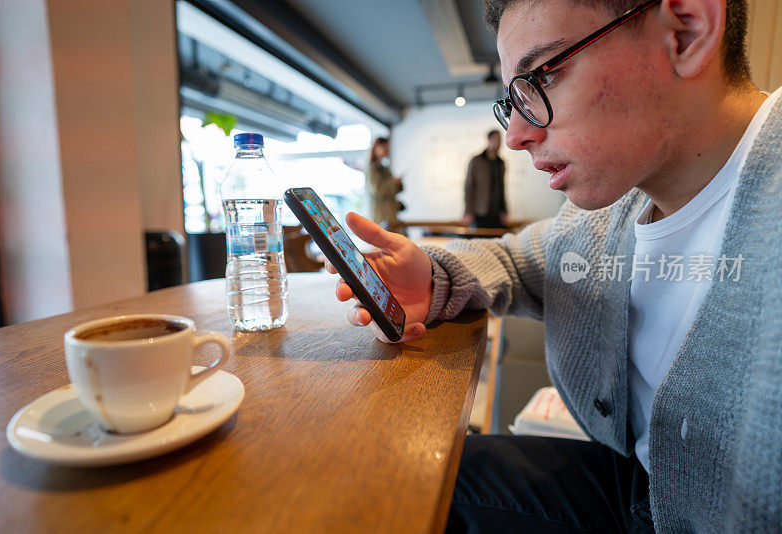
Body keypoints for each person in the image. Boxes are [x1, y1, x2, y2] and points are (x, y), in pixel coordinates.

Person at [326, 0, 781, 531]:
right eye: (513, 100)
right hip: (639, 486)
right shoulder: (612, 209)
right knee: (408, 478)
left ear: (686, 30)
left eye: (545, 74)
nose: (518, 133)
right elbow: (521, 259)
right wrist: (433, 275)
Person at [463, 130, 508, 228]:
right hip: (479, 212)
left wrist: (504, 211)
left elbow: (502, 188)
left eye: (500, 139)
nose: (499, 142)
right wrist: (468, 212)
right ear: (489, 140)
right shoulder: (476, 161)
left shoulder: (501, 163)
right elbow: (469, 186)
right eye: (497, 139)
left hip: (496, 212)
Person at [365, 137, 403, 234]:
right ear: (376, 147)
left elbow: (395, 190)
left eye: (387, 147)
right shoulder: (372, 168)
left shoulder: (384, 168)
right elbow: (377, 189)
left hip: (390, 214)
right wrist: (393, 182)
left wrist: (398, 183)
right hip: (381, 215)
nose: (386, 150)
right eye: (384, 147)